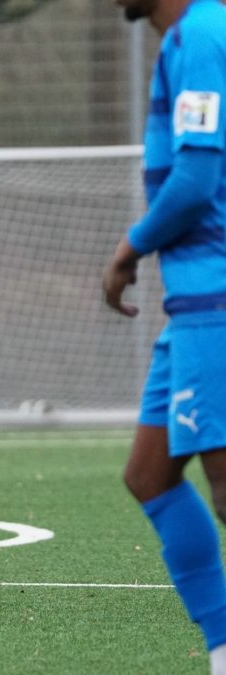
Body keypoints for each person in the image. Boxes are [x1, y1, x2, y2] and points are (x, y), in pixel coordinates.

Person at [104, 1, 226, 671]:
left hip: (217, 297)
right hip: (194, 308)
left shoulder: (206, 31)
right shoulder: (189, 37)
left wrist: (130, 247)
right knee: (150, 475)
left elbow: (197, 178)